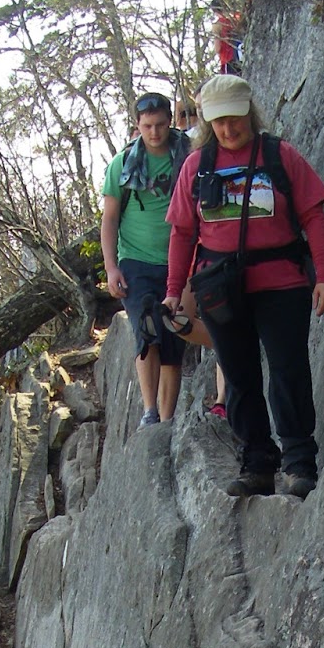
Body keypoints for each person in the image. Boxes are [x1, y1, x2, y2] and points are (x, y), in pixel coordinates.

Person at [163, 74, 324, 499]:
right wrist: (172, 290)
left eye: (234, 118)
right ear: (207, 122)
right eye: (218, 121)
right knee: (239, 377)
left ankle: (299, 462)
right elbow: (182, 233)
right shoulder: (196, 166)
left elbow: (313, 215)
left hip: (282, 283)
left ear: (249, 112)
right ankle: (257, 461)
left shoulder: (281, 156)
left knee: (288, 370)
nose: (228, 129)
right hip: (221, 288)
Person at [99, 91, 195, 430]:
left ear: (170, 121)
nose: (154, 133)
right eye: (147, 126)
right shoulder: (123, 164)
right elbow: (110, 218)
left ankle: (166, 421)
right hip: (136, 260)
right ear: (137, 126)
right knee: (146, 329)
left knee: (173, 337)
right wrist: (111, 267)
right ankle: (149, 410)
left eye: (160, 125)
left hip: (180, 259)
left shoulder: (189, 154)